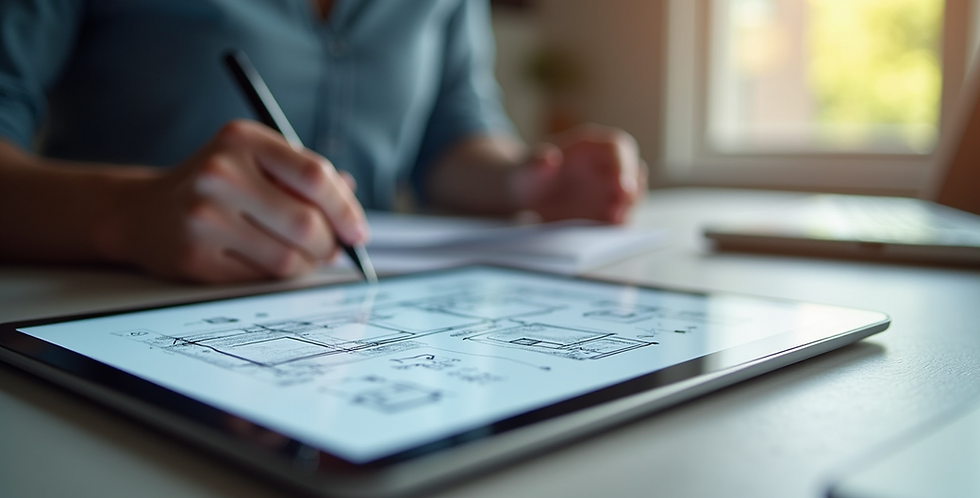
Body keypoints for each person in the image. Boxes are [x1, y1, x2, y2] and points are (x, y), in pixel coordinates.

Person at [0, 0, 646, 284]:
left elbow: (454, 136)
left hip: (354, 314)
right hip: (109, 310)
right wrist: (125, 213)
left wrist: (529, 179)